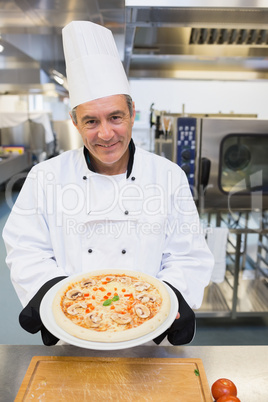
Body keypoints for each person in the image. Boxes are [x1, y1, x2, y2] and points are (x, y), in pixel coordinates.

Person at [2, 21, 214, 346]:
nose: (105, 134)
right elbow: (27, 249)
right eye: (91, 121)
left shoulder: (167, 176)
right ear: (74, 122)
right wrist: (46, 290)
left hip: (149, 330)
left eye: (115, 117)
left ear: (132, 112)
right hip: (73, 331)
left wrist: (174, 293)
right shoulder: (45, 177)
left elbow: (187, 254)